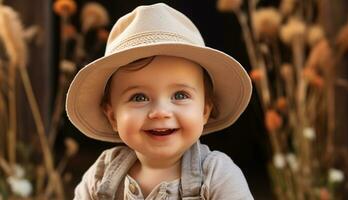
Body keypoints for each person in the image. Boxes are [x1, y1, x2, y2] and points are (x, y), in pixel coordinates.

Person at [66, 3, 254, 200]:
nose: (160, 111)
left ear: (205, 110)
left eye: (180, 95)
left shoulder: (217, 176)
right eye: (139, 97)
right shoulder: (100, 177)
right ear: (112, 116)